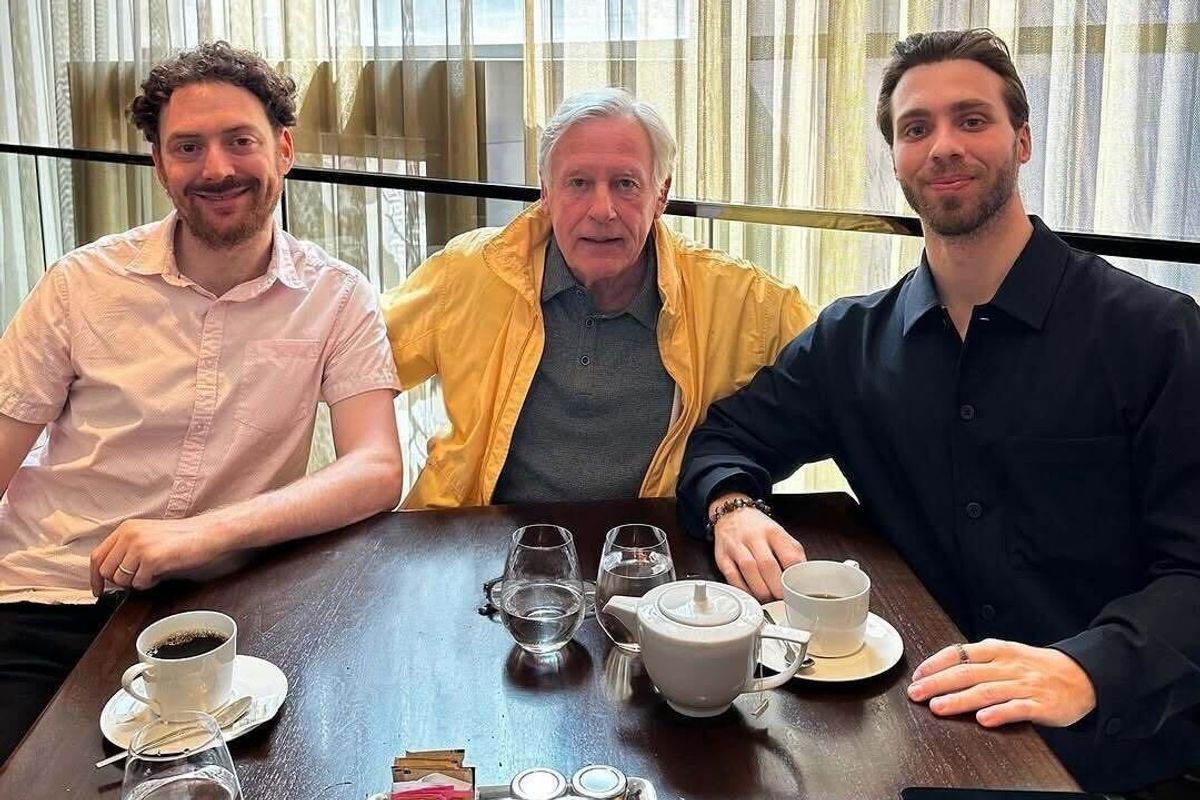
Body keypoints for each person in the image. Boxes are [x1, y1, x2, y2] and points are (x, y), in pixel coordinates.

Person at [677, 29, 1200, 795]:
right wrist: (731, 506)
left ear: (1022, 140)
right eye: (916, 128)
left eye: (972, 120)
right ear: (895, 159)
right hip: (909, 740)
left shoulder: (1155, 333)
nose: (943, 145)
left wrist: (1086, 668)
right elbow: (727, 436)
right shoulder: (849, 341)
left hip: (1110, 754)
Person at [0, 42, 404, 762]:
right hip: (49, 601)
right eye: (187, 147)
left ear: (283, 149)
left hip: (228, 610)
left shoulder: (337, 296)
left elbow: (376, 466)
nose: (216, 169)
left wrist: (199, 534)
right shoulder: (79, 285)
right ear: (159, 164)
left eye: (239, 141)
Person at [382, 88, 813, 509]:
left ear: (660, 194)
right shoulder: (471, 272)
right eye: (578, 183)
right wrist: (367, 466)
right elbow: (356, 355)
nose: (602, 209)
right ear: (546, 192)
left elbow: (841, 373)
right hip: (476, 538)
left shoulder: (738, 297)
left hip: (649, 553)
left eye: (626, 184)